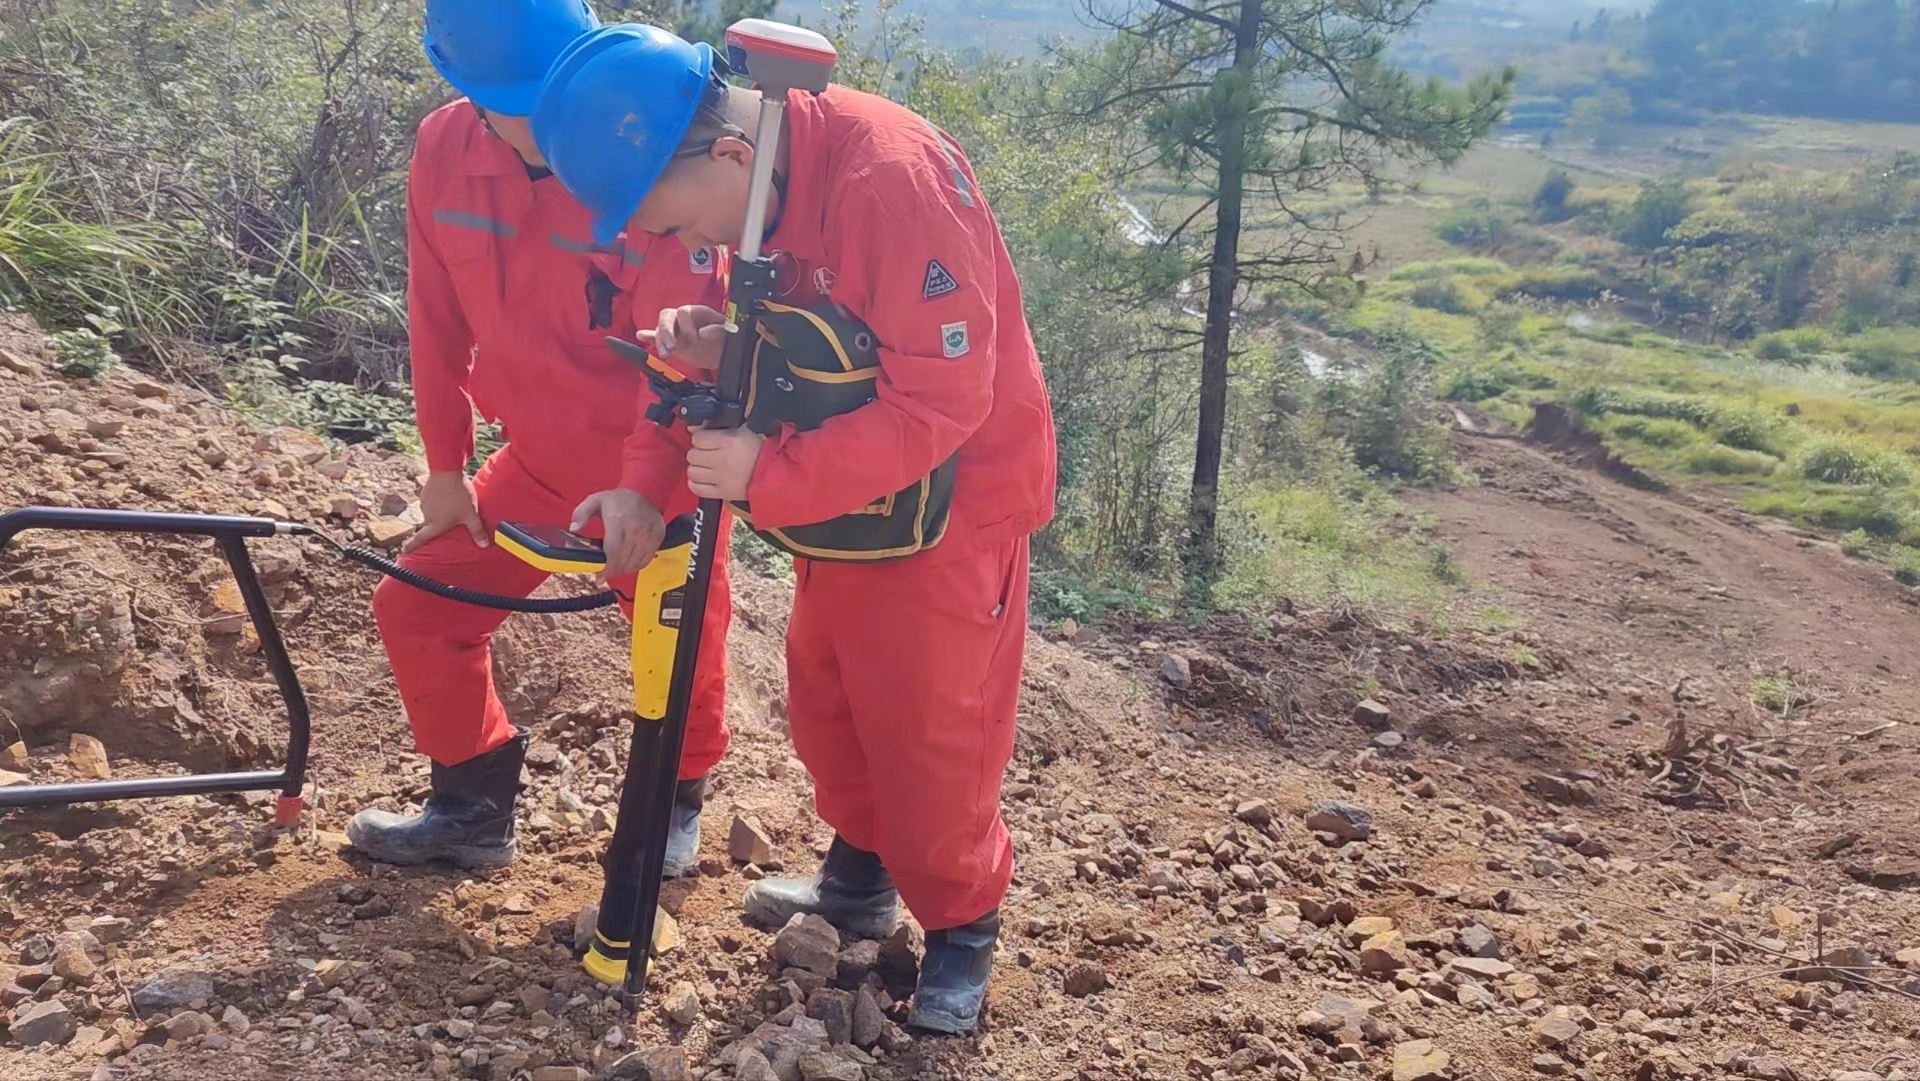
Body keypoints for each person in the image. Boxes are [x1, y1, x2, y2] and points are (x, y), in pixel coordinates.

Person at [529, 24, 1057, 1034]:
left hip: (952, 506)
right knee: (834, 700)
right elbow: (823, 344)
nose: (677, 249)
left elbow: (942, 400)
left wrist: (772, 472)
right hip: (849, 503)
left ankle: (963, 926)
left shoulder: (887, 182)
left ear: (726, 153)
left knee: (932, 728)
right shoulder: (760, 178)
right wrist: (723, 341)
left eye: (670, 218)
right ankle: (858, 882)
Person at [345, 0, 733, 875]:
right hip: (536, 463)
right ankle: (471, 807)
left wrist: (645, 488)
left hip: (655, 468)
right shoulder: (444, 153)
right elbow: (434, 316)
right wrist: (446, 468)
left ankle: (673, 798)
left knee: (676, 640)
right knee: (419, 601)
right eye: (538, 97)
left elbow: (683, 363)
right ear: (475, 93)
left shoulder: (637, 159)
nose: (564, 111)